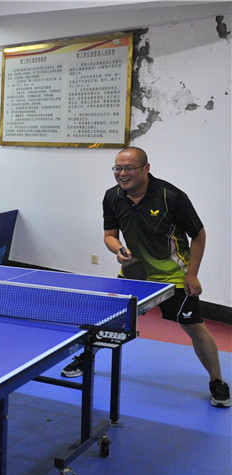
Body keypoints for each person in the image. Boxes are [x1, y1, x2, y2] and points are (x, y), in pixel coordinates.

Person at [60, 146, 229, 409]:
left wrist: (193, 274)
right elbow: (110, 235)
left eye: (129, 168)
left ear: (146, 168)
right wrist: (119, 249)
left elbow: (198, 235)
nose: (122, 173)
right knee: (109, 321)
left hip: (173, 276)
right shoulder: (112, 196)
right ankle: (87, 359)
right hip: (134, 275)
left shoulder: (171, 196)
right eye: (118, 168)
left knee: (195, 328)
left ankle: (217, 380)